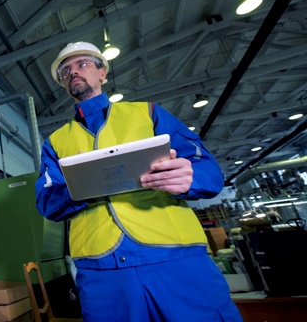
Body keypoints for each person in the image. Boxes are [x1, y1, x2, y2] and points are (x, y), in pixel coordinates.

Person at [35, 41, 243, 321]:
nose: (73, 72)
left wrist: (190, 178)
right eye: (65, 70)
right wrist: (84, 187)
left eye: (82, 64)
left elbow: (208, 170)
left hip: (175, 258)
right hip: (101, 270)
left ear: (102, 73)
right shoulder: (55, 142)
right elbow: (47, 201)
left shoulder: (148, 114)